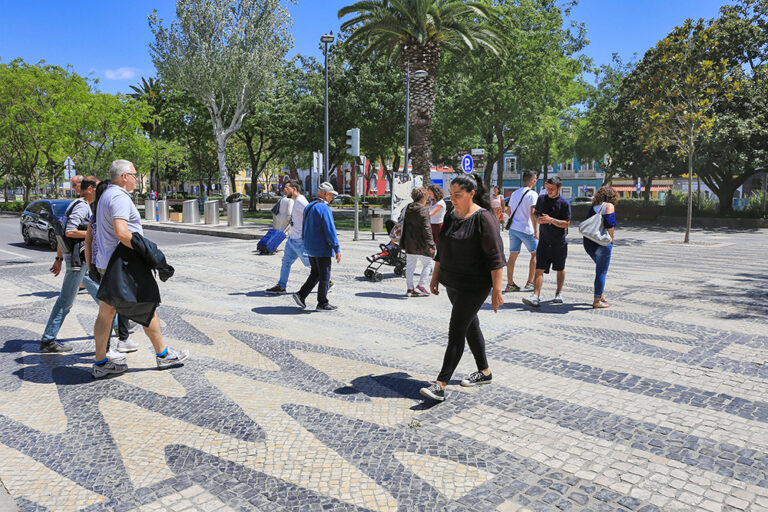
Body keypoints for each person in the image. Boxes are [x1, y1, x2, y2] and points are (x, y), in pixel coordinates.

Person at [91, 160, 188, 378]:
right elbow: (122, 232)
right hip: (123, 264)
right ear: (124, 176)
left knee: (106, 313)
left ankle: (100, 362)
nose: (137, 178)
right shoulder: (119, 197)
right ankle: (163, 355)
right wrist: (148, 252)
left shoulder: (106, 195)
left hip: (108, 263)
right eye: (134, 174)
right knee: (147, 305)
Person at [420, 174, 505, 402]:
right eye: (451, 194)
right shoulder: (451, 214)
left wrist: (497, 291)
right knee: (470, 326)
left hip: (474, 285)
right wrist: (435, 277)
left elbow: (496, 258)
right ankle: (484, 372)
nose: (453, 198)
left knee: (456, 330)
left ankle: (441, 384)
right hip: (453, 283)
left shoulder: (484, 218)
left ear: (471, 194)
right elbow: (442, 249)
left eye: (458, 195)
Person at [39, 178, 100, 353]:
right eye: (98, 187)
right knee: (65, 300)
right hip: (77, 260)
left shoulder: (77, 203)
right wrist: (94, 233)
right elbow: (69, 231)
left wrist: (58, 259)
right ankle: (48, 339)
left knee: (96, 289)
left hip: (78, 258)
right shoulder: (82, 206)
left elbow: (61, 231)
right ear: (89, 189)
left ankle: (118, 323)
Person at [85, 179, 138, 355]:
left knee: (110, 309)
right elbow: (120, 233)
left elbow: (88, 241)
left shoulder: (96, 214)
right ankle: (114, 345)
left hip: (99, 263)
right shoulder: (109, 211)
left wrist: (89, 265)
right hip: (112, 264)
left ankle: (115, 344)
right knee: (110, 310)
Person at [292, 182, 341, 312]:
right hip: (322, 247)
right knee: (325, 275)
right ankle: (322, 303)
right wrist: (336, 248)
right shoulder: (324, 208)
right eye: (331, 195)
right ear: (325, 194)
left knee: (316, 273)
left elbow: (305, 226)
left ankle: (301, 295)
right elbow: (330, 229)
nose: (331, 198)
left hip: (310, 246)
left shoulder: (309, 206)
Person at [523, 176, 571, 308]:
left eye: (552, 189)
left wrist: (551, 220)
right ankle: (535, 296)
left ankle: (559, 293)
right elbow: (536, 213)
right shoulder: (542, 199)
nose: (549, 191)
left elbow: (566, 223)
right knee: (539, 269)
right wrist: (538, 218)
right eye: (547, 188)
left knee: (560, 268)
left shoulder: (564, 203)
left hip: (559, 242)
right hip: (544, 241)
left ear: (559, 189)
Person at [266, 179, 310, 294]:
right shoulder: (295, 200)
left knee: (310, 263)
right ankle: (281, 285)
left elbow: (311, 215)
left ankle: (327, 281)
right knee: (286, 262)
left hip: (299, 240)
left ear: (294, 189)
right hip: (292, 240)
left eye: (287, 188)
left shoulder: (301, 201)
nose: (284, 191)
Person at [583, 186, 618, 309]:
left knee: (600, 268)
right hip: (602, 243)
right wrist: (612, 240)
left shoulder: (593, 207)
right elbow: (609, 224)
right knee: (601, 271)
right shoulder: (609, 206)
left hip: (589, 242)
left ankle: (601, 295)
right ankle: (597, 300)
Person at [505, 171, 539, 293]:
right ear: (531, 180)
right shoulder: (533, 194)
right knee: (535, 254)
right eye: (535, 179)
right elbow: (532, 213)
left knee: (513, 255)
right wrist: (536, 231)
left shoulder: (515, 193)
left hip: (513, 228)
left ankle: (510, 284)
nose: (536, 180)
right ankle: (530, 282)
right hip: (526, 229)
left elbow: (508, 212)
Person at [400, 187, 435, 297]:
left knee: (410, 266)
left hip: (409, 242)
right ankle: (421, 286)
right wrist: (431, 244)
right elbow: (426, 228)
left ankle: (410, 289)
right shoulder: (423, 209)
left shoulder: (407, 207)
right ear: (424, 197)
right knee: (428, 263)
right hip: (422, 243)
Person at [427, 184, 446, 249]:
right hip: (431, 225)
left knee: (438, 245)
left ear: (435, 192)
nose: (429, 195)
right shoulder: (432, 202)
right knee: (431, 244)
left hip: (438, 226)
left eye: (430, 193)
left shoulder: (440, 203)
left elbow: (431, 213)